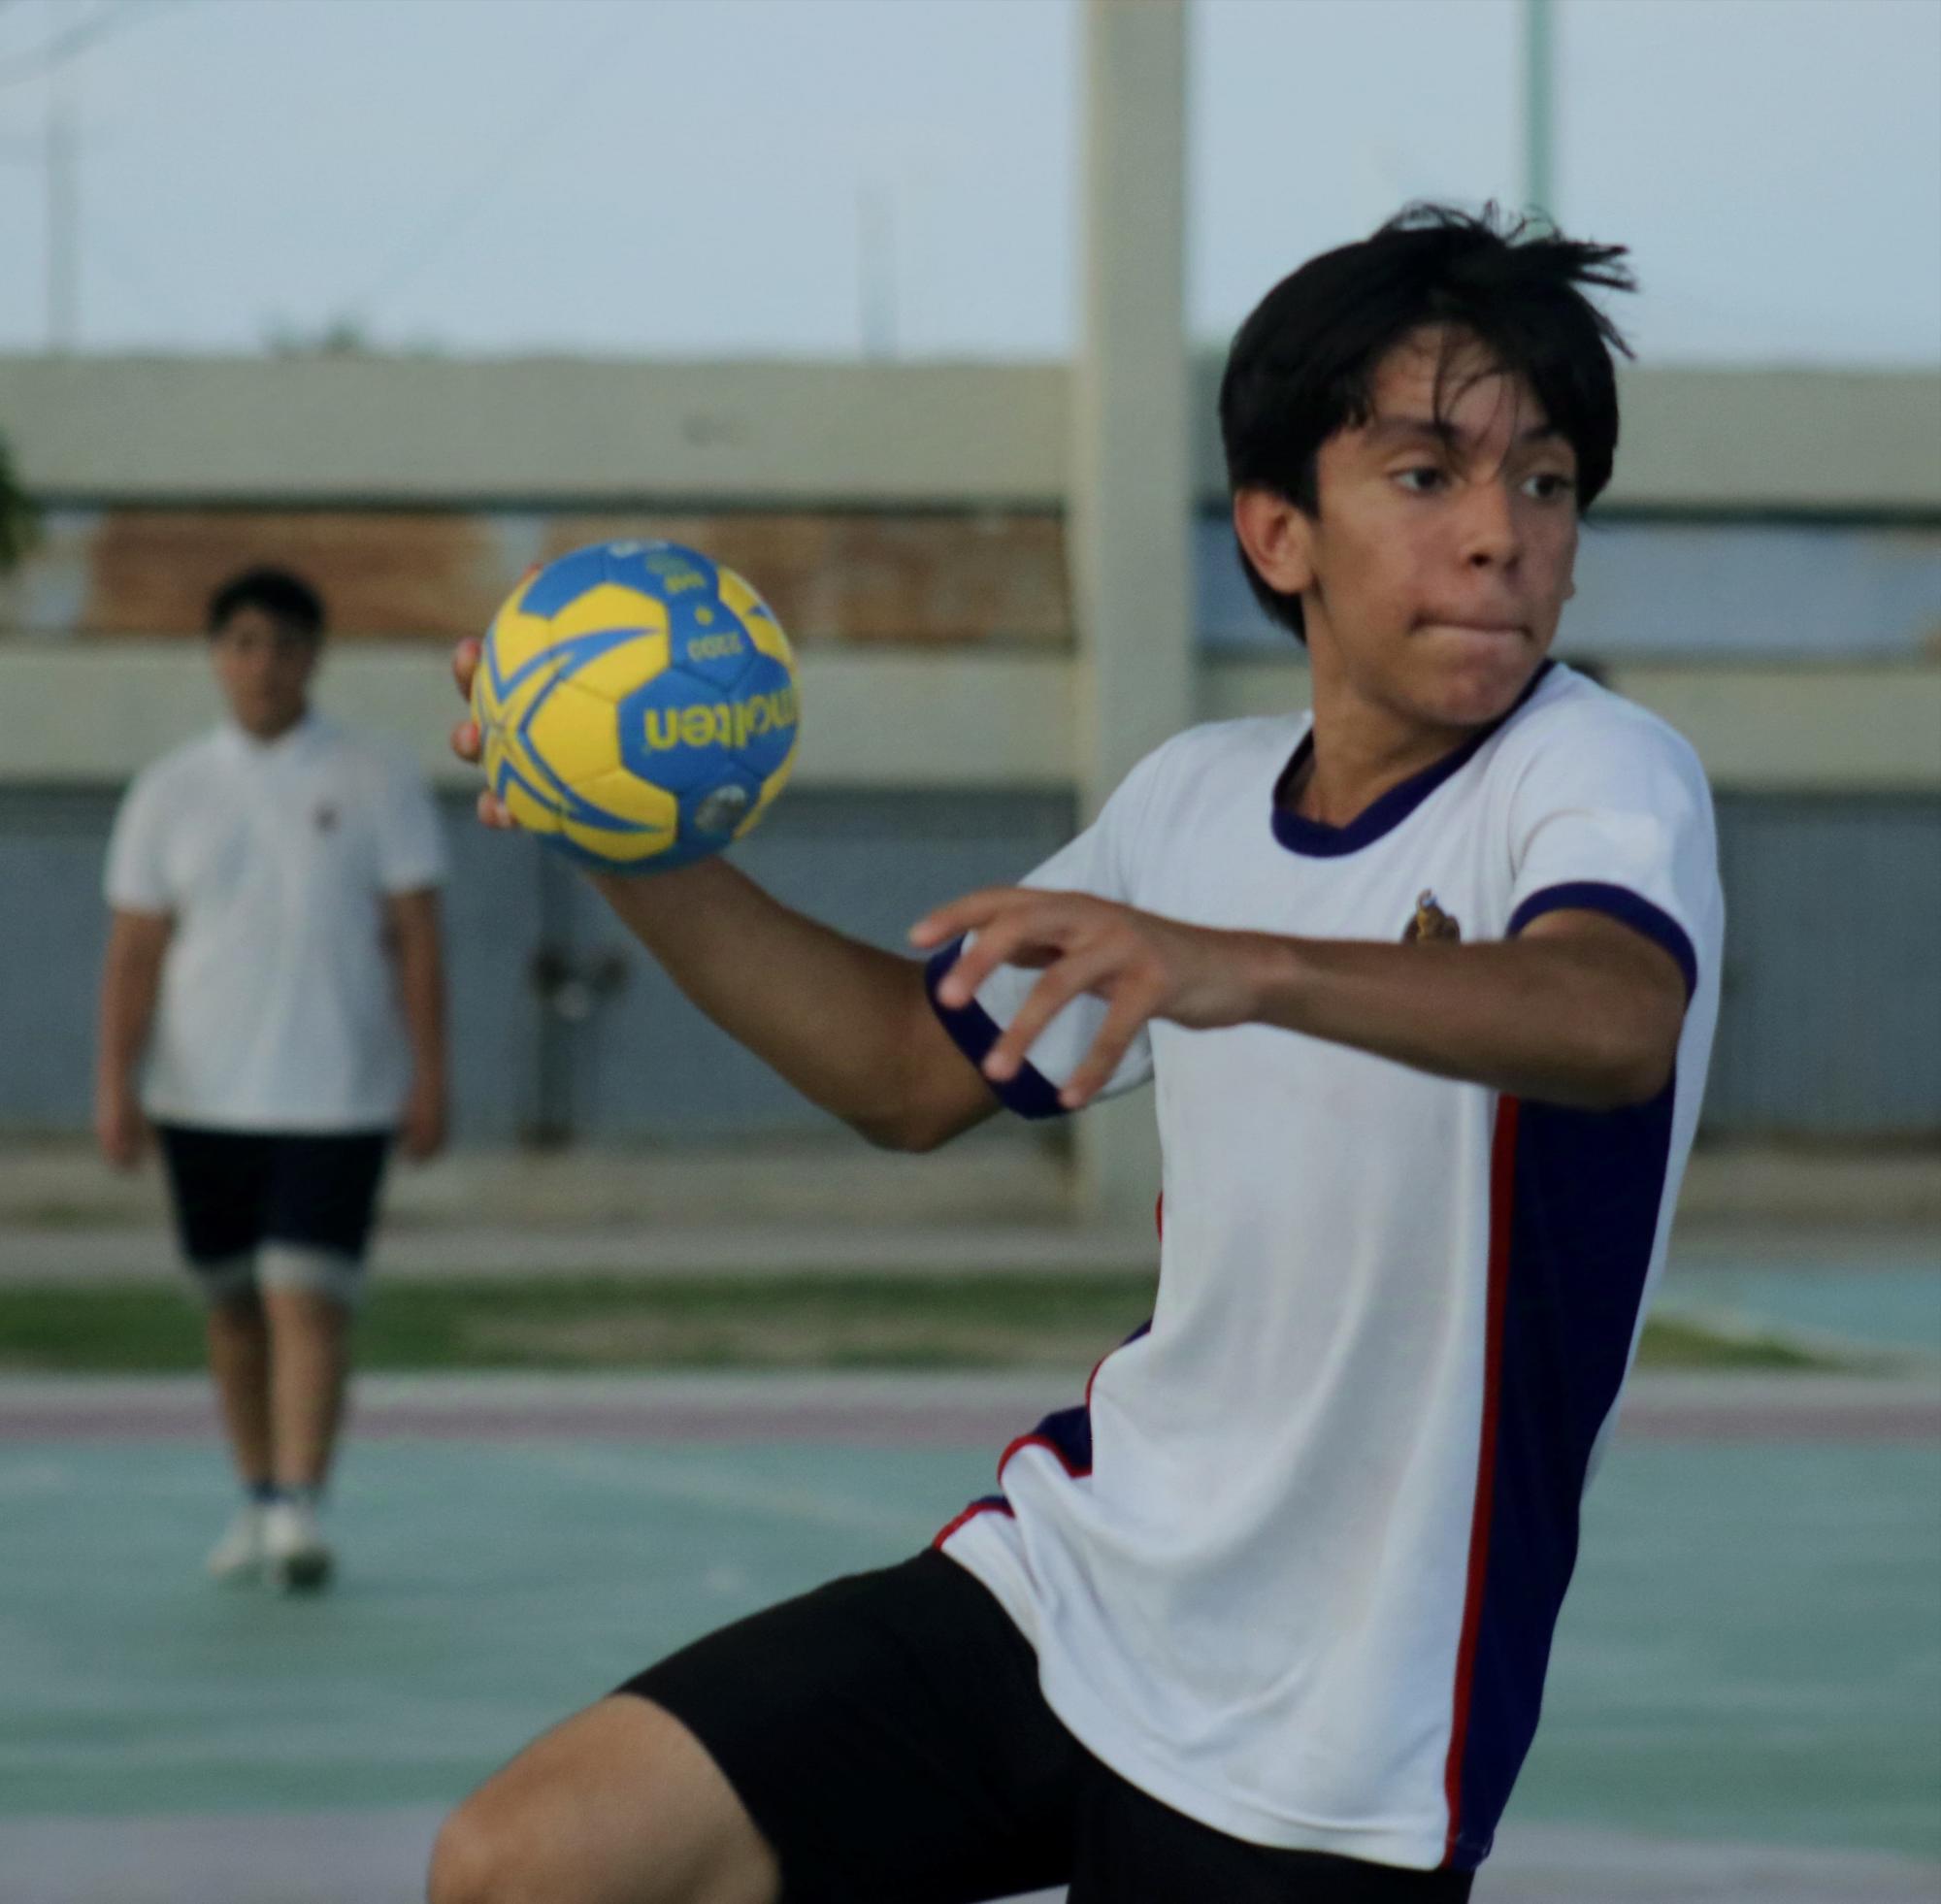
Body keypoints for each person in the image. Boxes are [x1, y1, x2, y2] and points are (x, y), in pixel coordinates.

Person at [428, 206, 1722, 1903]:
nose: (1500, 536)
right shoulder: (1195, 796)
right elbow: (908, 1071)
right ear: (1279, 533)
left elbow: (1611, 1017)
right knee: (530, 1862)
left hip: (1342, 1724)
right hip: (1083, 1579)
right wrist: (621, 837)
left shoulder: (1598, 773)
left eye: (1543, 484)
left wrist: (1231, 965)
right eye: (1427, 478)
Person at [96, 566, 448, 1592]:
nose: (263, 665)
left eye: (284, 645)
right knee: (234, 1302)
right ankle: (254, 1496)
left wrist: (431, 1077)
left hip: (336, 1092)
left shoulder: (377, 776)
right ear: (217, 656)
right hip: (202, 1094)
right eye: (243, 644)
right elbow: (133, 951)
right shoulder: (169, 791)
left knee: (307, 1294)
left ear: (314, 657)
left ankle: (301, 1502)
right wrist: (115, 1084)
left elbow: (417, 940)